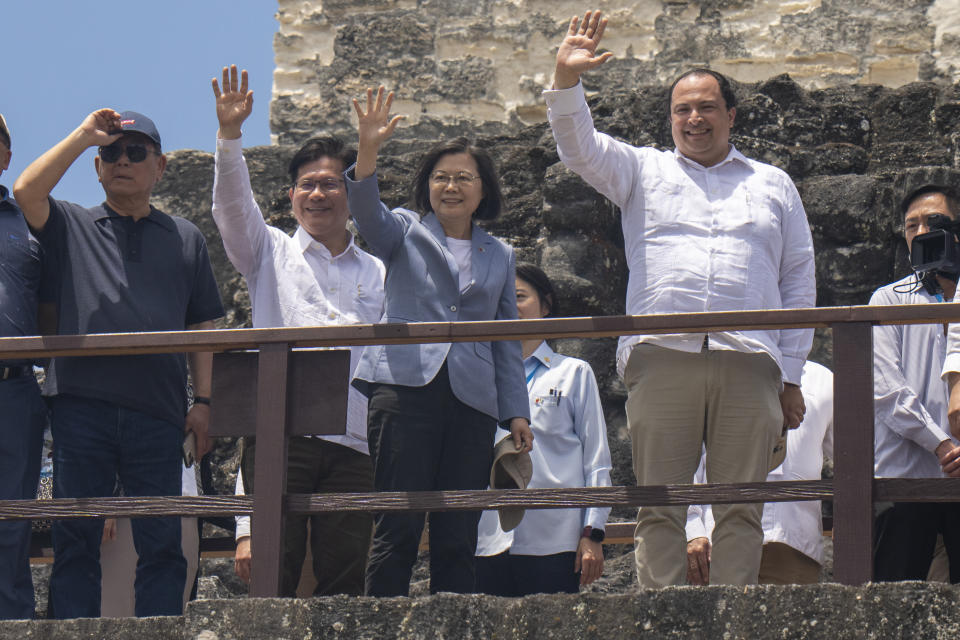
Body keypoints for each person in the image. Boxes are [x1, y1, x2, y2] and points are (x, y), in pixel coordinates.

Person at [545, 10, 816, 587]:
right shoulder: (641, 170)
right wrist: (567, 80)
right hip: (663, 353)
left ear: (731, 115)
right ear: (670, 120)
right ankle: (661, 618)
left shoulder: (773, 183)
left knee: (741, 507)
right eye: (683, 109)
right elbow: (579, 149)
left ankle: (735, 616)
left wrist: (791, 373)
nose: (695, 119)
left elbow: (798, 279)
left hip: (749, 358)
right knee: (658, 503)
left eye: (707, 107)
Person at [13, 109, 224, 618]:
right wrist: (84, 136)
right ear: (98, 166)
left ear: (161, 166)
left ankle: (158, 630)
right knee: (76, 538)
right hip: (81, 405)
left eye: (135, 152)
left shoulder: (185, 237)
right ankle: (72, 632)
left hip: (158, 408)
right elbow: (25, 192)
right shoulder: (71, 224)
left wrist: (204, 402)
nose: (121, 160)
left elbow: (201, 327)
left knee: (161, 540)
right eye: (110, 153)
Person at [346, 86, 533, 596]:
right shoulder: (403, 230)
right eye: (441, 177)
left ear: (482, 189)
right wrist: (368, 150)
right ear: (427, 186)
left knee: (458, 530)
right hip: (404, 389)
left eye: (463, 178)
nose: (451, 187)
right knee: (397, 523)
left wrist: (515, 411)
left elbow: (505, 340)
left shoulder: (501, 253)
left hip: (471, 398)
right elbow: (365, 214)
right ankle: (381, 625)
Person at [208, 65, 385, 597]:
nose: (317, 194)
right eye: (306, 185)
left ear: (350, 193)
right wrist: (231, 137)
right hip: (282, 433)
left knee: (347, 577)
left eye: (331, 183)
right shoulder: (269, 252)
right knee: (271, 573)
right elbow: (232, 210)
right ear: (290, 196)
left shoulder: (378, 271)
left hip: (356, 438)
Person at [475, 263, 612, 595]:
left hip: (554, 537)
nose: (510, 306)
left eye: (519, 296)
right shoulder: (476, 376)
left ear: (546, 305)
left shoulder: (573, 373)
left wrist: (592, 533)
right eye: (502, 299)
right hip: (485, 535)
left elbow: (597, 460)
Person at [871, 184, 960, 582]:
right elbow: (886, 389)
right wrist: (943, 445)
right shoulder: (887, 300)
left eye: (934, 222)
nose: (921, 232)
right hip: (907, 477)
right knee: (893, 598)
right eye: (911, 225)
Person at [686, 361, 834, 585]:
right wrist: (692, 528)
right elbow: (687, 457)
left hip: (794, 542)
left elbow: (851, 460)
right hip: (717, 540)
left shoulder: (823, 379)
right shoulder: (714, 366)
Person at [0, 113, 48, 619]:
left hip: (14, 391)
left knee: (12, 520)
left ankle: (12, 623)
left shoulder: (31, 221)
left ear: (7, 156)